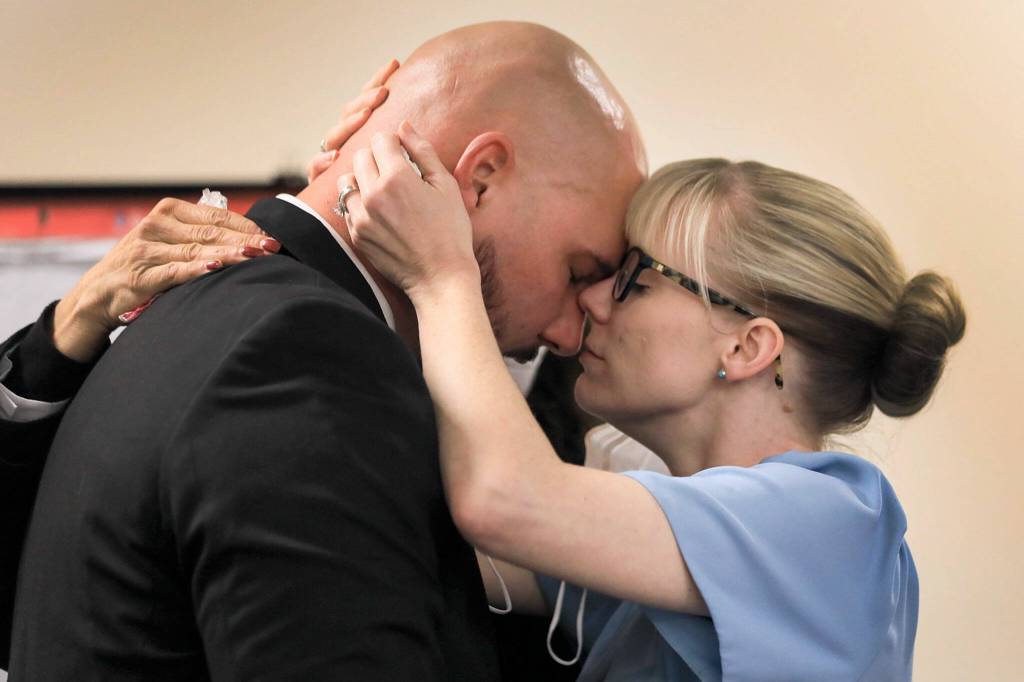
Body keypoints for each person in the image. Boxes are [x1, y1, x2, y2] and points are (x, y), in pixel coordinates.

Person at [0, 22, 645, 680]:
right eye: (578, 270)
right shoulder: (307, 351)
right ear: (479, 178)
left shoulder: (217, 309)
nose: (569, 335)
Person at [332, 131, 966, 679]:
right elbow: (402, 535)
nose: (593, 300)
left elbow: (503, 500)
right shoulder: (677, 526)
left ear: (748, 345)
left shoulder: (828, 525)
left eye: (634, 277)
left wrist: (444, 273)